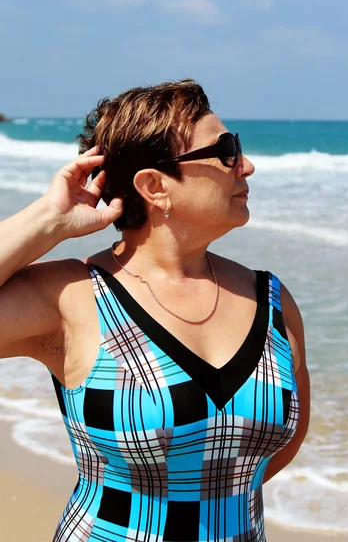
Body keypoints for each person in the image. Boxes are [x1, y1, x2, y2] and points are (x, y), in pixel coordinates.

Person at [0, 79, 310, 541]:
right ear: (154, 186)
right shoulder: (72, 296)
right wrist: (48, 219)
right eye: (224, 151)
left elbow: (279, 447)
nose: (245, 165)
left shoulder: (269, 298)